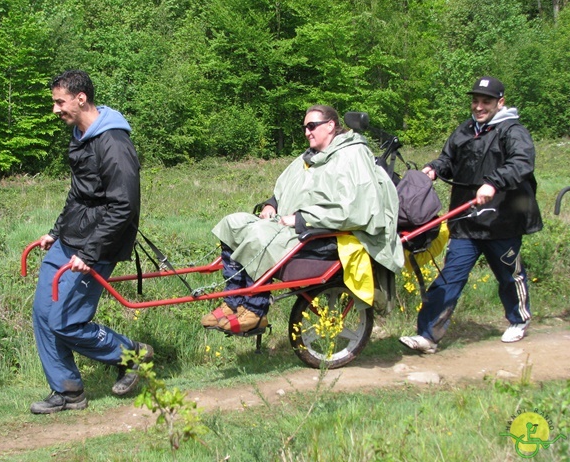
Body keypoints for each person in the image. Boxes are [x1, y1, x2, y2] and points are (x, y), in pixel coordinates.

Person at [201, 105, 405, 333]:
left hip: (326, 234)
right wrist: (272, 204)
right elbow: (290, 187)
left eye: (312, 126)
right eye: (305, 127)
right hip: (293, 225)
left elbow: (355, 209)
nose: (307, 132)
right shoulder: (311, 156)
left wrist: (300, 219)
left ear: (330, 126)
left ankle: (255, 310)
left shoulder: (351, 155)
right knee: (233, 223)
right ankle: (233, 301)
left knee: (260, 234)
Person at [30, 70, 152, 414]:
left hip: (99, 243)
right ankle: (67, 392)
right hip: (71, 238)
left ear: (80, 98)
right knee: (44, 313)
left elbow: (125, 205)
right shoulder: (79, 135)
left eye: (59, 101)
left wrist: (90, 251)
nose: (55, 109)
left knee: (66, 320)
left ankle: (131, 354)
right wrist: (55, 231)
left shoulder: (113, 142)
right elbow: (79, 194)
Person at [399, 76, 543, 354]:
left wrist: (494, 182)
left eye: (486, 101)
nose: (478, 106)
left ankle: (518, 319)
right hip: (467, 220)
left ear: (500, 102)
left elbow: (522, 163)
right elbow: (448, 160)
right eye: (475, 101)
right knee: (450, 276)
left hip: (502, 219)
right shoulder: (465, 130)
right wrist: (434, 169)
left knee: (509, 275)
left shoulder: (512, 131)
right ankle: (427, 336)